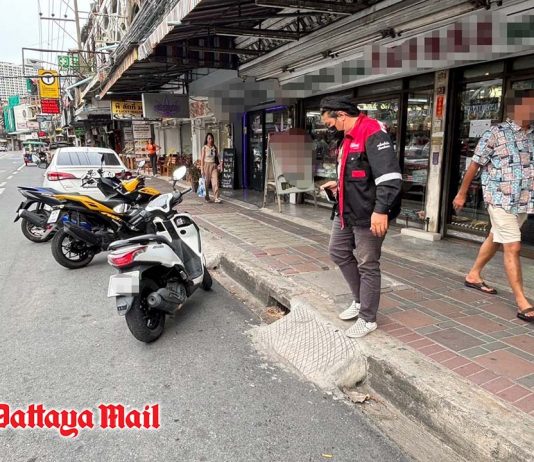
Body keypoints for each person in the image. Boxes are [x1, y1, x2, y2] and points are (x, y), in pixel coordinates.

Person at [319, 95, 402, 338]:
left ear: (342, 115)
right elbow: (358, 173)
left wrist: (381, 210)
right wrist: (339, 185)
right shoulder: (347, 137)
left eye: (330, 123)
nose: (330, 128)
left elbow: (389, 177)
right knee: (338, 251)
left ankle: (368, 318)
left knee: (368, 263)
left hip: (369, 212)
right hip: (346, 208)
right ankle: (359, 300)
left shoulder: (372, 132)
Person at [453, 91, 534, 322]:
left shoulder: (532, 135)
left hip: (523, 200)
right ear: (515, 108)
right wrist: (461, 193)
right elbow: (475, 164)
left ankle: (473, 275)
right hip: (499, 198)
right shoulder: (496, 133)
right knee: (513, 246)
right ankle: (522, 301)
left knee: (496, 237)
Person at [200, 133, 222, 203]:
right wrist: (202, 169)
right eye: (209, 138)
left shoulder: (214, 147)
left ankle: (216, 197)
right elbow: (202, 159)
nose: (210, 139)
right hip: (206, 165)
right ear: (206, 139)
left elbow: (218, 157)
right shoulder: (204, 148)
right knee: (206, 183)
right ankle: (207, 197)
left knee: (215, 181)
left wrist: (220, 164)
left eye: (211, 138)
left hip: (214, 165)